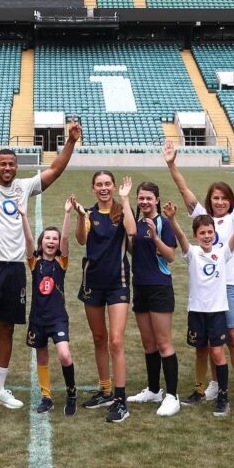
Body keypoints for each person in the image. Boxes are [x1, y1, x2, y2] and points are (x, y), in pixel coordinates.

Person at [0, 106, 81, 418]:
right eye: (2, 164)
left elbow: (55, 171)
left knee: (7, 328)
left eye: (11, 164)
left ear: (16, 166)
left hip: (15, 269)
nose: (7, 168)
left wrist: (71, 143)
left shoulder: (24, 186)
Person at [163, 138, 234, 411]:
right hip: (205, 291)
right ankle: (215, 384)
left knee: (233, 338)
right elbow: (183, 190)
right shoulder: (202, 217)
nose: (220, 202)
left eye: (224, 198)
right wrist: (171, 164)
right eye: (215, 198)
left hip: (228, 286)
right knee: (207, 343)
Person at [165, 201, 234, 418]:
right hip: (196, 311)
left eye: (210, 232)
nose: (207, 236)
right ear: (196, 235)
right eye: (202, 232)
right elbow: (180, 238)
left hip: (216, 313)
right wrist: (172, 219)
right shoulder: (192, 253)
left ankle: (223, 397)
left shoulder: (223, 252)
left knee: (217, 352)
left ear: (215, 234)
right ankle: (199, 390)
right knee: (200, 351)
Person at [75, 172, 132, 422]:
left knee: (116, 341)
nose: (104, 188)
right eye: (99, 184)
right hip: (92, 283)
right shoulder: (88, 214)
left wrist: (126, 199)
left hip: (117, 283)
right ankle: (105, 390)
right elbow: (81, 239)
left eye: (108, 184)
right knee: (99, 338)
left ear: (114, 186)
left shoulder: (122, 211)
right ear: (93, 188)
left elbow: (132, 232)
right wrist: (79, 217)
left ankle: (121, 400)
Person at [124, 181, 181, 417]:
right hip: (140, 287)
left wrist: (156, 238)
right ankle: (154, 390)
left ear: (157, 200)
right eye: (141, 198)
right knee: (148, 343)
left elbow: (170, 257)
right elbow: (133, 249)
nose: (145, 201)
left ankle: (172, 396)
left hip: (159, 287)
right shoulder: (136, 223)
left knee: (164, 343)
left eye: (149, 198)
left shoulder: (163, 223)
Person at [22, 196, 78, 416]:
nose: (52, 241)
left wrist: (67, 213)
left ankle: (71, 392)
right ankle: (46, 397)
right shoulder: (34, 262)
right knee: (42, 356)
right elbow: (27, 240)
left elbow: (65, 238)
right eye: (48, 238)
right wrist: (24, 216)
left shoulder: (61, 263)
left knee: (64, 354)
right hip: (37, 318)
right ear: (41, 242)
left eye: (54, 238)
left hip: (57, 318)